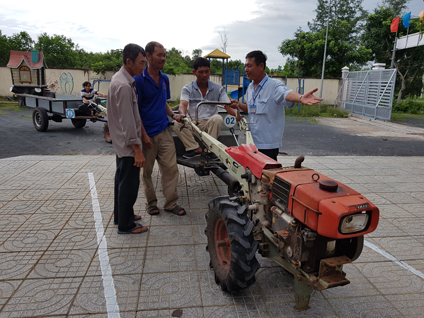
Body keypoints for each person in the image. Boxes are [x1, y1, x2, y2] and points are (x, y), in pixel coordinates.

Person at [230, 50, 323, 161]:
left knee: (267, 175)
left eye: (249, 66)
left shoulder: (274, 85)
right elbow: (251, 109)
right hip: (252, 141)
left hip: (267, 145)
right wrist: (239, 105)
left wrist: (300, 97)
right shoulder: (250, 88)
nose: (246, 70)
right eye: (245, 66)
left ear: (261, 66)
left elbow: (286, 93)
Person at [134, 41, 186, 217]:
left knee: (171, 169)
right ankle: (151, 203)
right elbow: (136, 109)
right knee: (147, 171)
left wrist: (173, 115)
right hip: (146, 133)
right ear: (148, 56)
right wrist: (143, 134)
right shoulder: (139, 80)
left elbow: (162, 102)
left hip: (164, 131)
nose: (163, 58)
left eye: (164, 55)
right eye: (159, 55)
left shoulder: (164, 79)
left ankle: (171, 203)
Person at [107, 43, 148, 234]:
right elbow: (127, 121)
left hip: (122, 143)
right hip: (128, 145)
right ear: (129, 61)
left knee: (121, 181)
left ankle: (122, 215)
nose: (143, 67)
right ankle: (126, 225)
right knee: (129, 186)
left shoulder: (121, 80)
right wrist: (137, 150)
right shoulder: (123, 86)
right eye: (141, 63)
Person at [173, 57, 232, 160]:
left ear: (210, 71)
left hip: (209, 123)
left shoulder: (218, 88)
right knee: (177, 123)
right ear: (194, 72)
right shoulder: (187, 88)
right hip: (193, 123)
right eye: (200, 72)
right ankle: (195, 148)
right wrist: (182, 114)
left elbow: (227, 105)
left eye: (206, 71)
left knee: (218, 118)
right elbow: (183, 104)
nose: (204, 75)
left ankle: (211, 150)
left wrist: (236, 114)